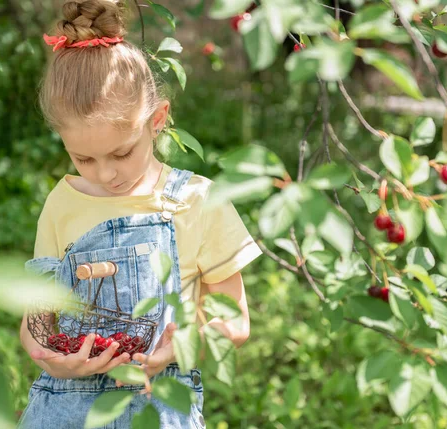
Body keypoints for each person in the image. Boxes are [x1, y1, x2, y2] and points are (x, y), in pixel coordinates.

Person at [18, 1, 263, 427]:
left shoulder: (197, 199)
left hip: (158, 405)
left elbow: (235, 321)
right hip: (63, 411)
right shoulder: (61, 202)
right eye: (84, 159)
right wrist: (56, 362)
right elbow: (36, 321)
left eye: (121, 152)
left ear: (157, 120)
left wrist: (182, 346)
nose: (107, 173)